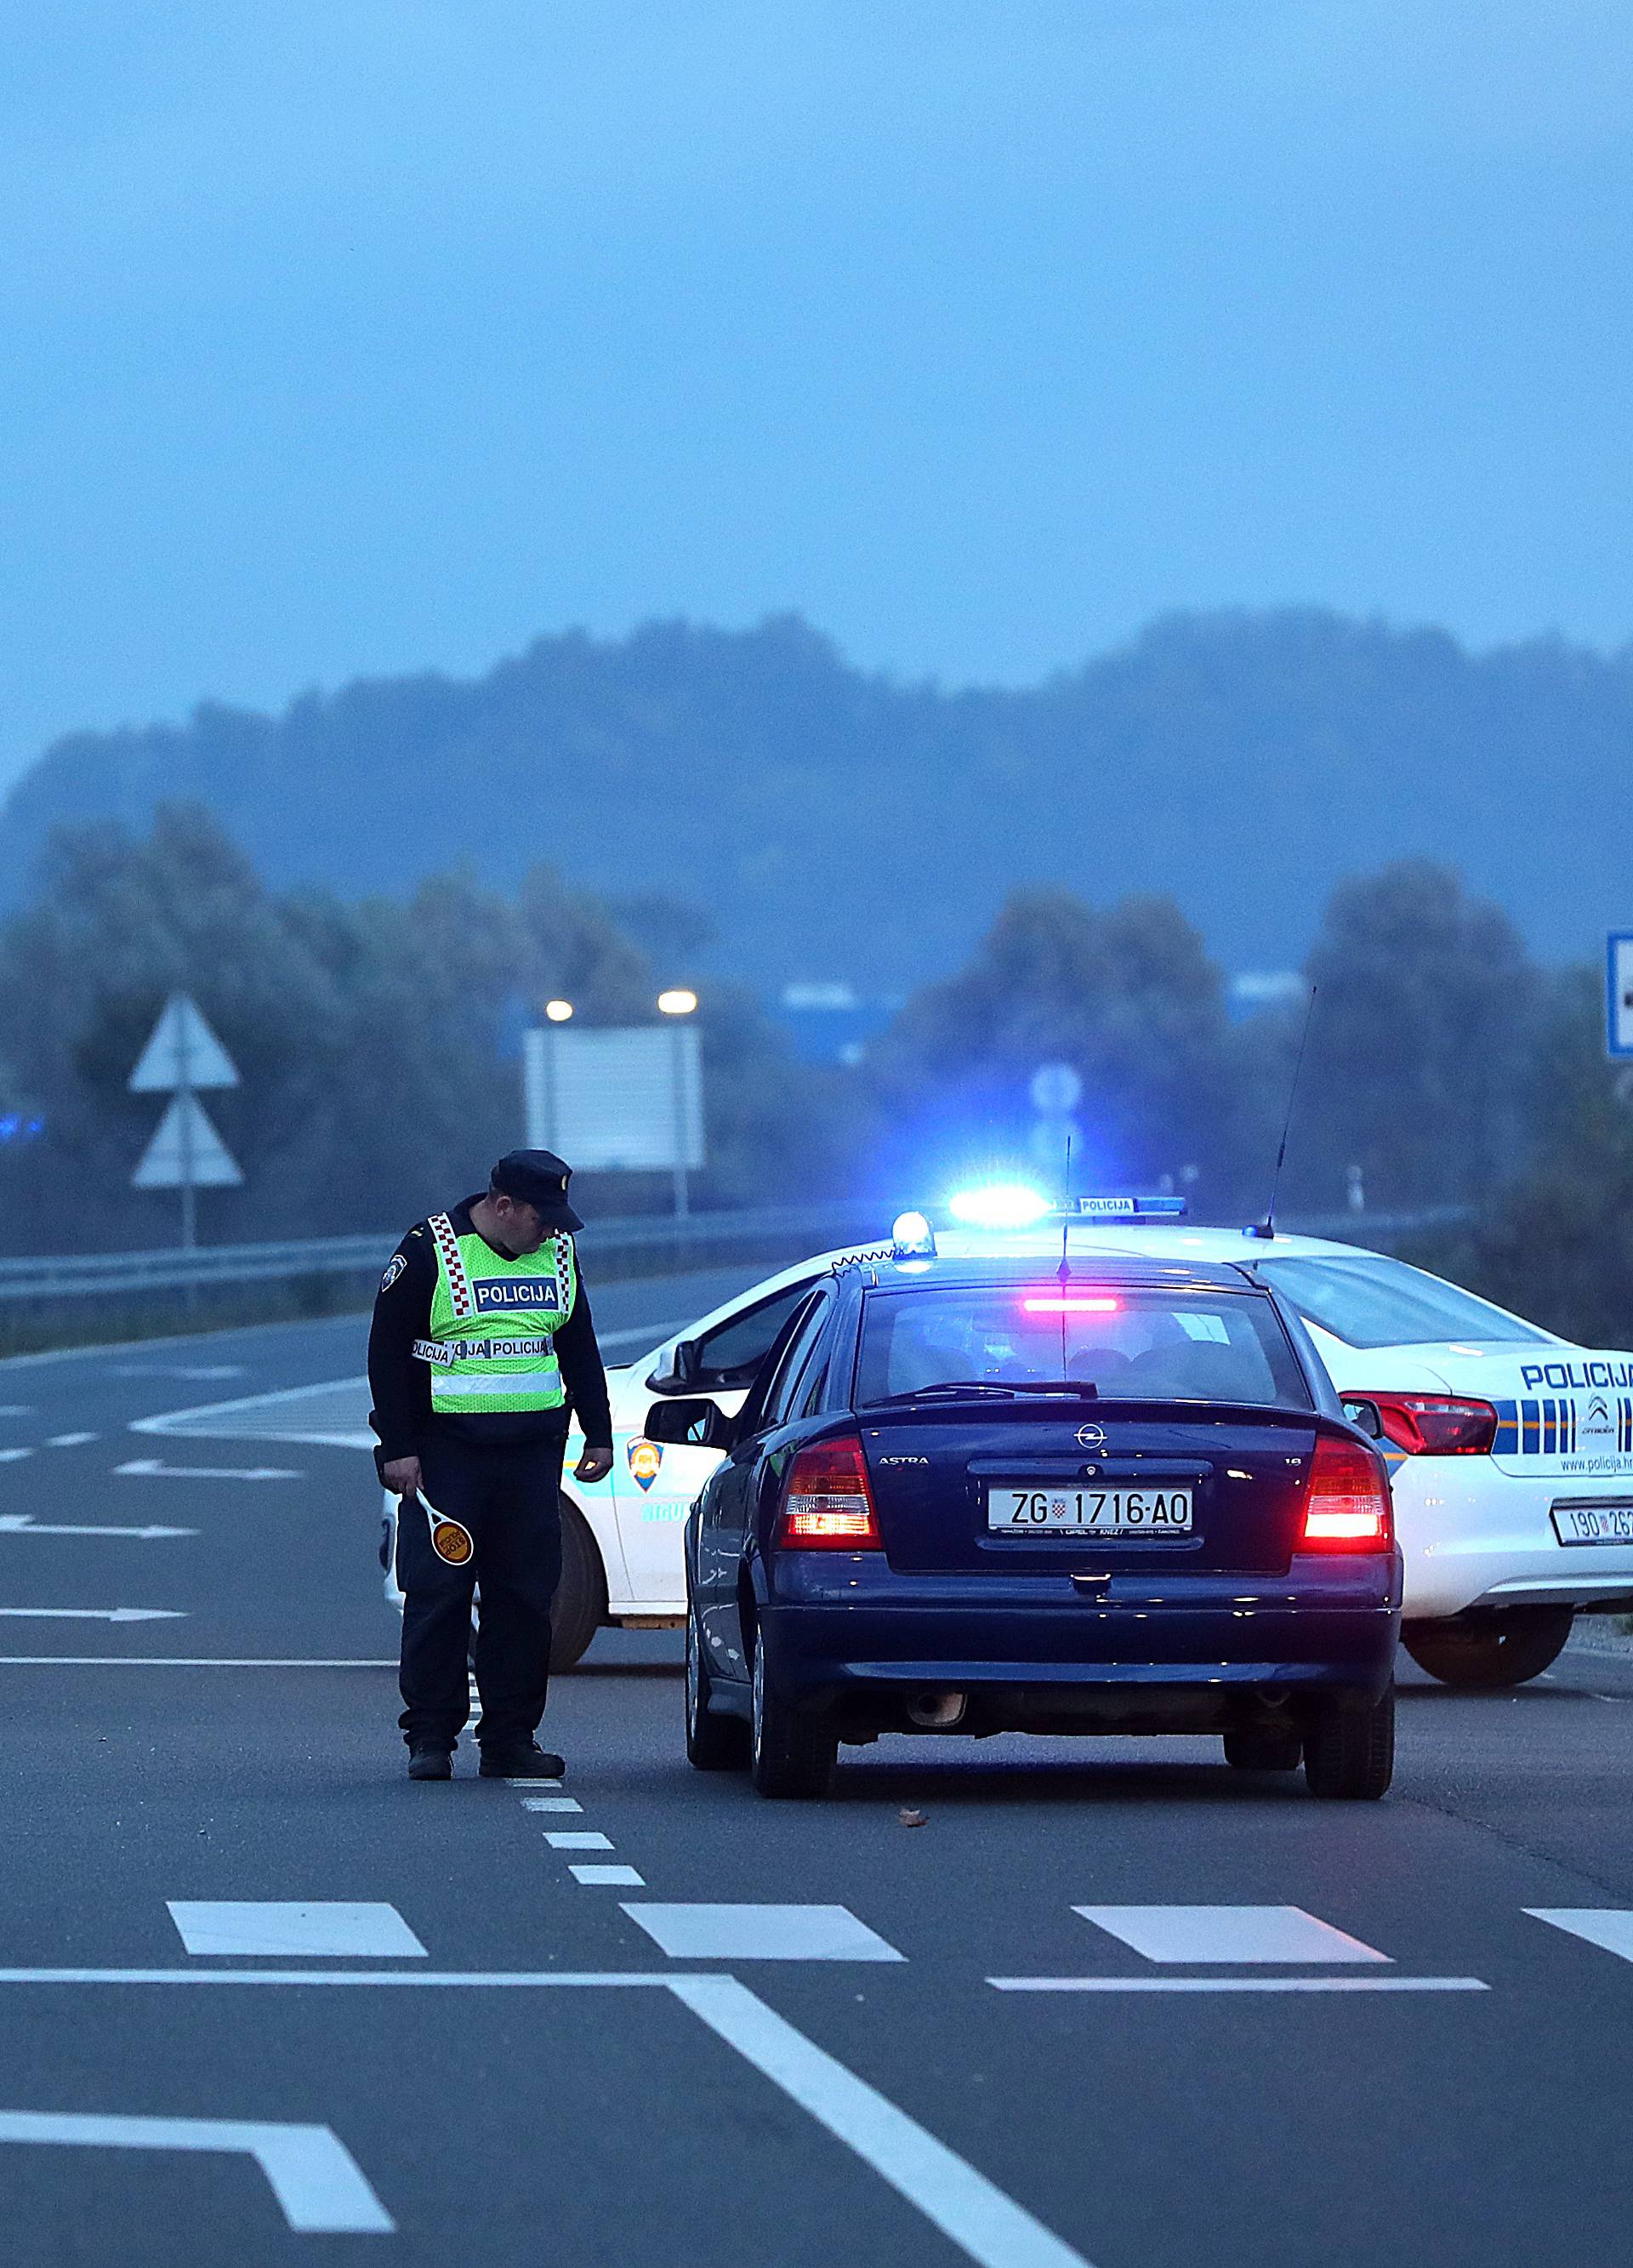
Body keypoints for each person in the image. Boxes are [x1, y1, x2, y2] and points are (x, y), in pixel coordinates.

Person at [368, 1149, 614, 1781]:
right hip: (448, 1454)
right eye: (541, 1217)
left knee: (525, 1599)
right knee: (439, 1594)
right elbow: (388, 1353)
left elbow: (577, 1343)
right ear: (502, 1207)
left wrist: (599, 1433)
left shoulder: (557, 1252)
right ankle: (430, 1736)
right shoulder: (429, 1249)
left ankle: (510, 1737)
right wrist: (398, 1447)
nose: (551, 1231)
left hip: (531, 1454)